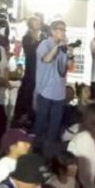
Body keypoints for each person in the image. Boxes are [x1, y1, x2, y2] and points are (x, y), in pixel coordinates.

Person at [33, 20, 71, 161]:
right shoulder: (45, 44)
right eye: (60, 29)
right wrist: (57, 46)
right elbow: (46, 59)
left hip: (59, 93)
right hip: (45, 92)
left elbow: (66, 67)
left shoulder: (63, 47)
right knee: (40, 125)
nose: (63, 32)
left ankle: (48, 158)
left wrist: (70, 54)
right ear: (52, 31)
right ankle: (35, 156)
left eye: (64, 29)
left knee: (54, 129)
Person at [14, 15, 44, 125]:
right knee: (27, 91)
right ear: (31, 25)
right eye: (36, 22)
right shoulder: (27, 38)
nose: (38, 23)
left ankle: (33, 117)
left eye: (39, 22)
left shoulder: (43, 37)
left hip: (40, 70)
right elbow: (31, 51)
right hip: (31, 69)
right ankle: (23, 115)